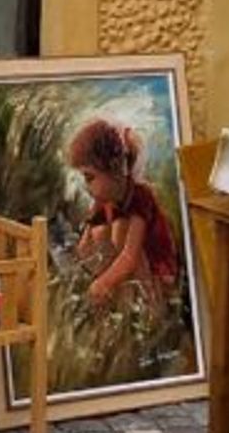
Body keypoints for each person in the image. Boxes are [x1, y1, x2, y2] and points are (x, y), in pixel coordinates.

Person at [67, 118, 180, 318]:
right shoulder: (104, 201)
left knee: (119, 231)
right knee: (99, 232)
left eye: (90, 177)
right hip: (130, 269)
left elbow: (131, 255)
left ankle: (149, 313)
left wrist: (102, 283)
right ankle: (117, 307)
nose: (86, 186)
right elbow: (84, 246)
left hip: (158, 270)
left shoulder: (140, 196)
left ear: (113, 170)